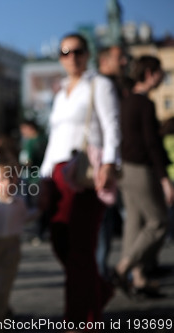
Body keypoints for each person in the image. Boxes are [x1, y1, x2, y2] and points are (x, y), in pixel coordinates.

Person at [39, 33, 120, 325]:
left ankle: (81, 320)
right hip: (59, 174)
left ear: (87, 54)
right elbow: (54, 139)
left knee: (80, 250)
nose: (72, 57)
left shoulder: (99, 84)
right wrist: (44, 177)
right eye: (65, 52)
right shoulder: (61, 94)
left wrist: (110, 163)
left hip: (86, 172)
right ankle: (99, 290)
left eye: (78, 51)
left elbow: (112, 126)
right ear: (60, 57)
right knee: (60, 242)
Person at [114, 55, 173, 298]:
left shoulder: (126, 102)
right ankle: (123, 268)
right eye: (160, 72)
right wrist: (164, 179)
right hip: (141, 169)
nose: (162, 77)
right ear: (149, 73)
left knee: (134, 224)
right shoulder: (144, 103)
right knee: (158, 222)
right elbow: (152, 144)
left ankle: (138, 279)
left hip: (125, 169)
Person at [0, 153, 38, 322]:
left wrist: (40, 211)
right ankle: (4, 309)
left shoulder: (18, 202)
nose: (12, 183)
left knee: (2, 285)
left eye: (14, 179)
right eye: (7, 179)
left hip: (11, 247)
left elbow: (25, 217)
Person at [95, 44, 129, 279]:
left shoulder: (117, 86)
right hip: (107, 166)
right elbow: (109, 127)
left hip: (118, 164)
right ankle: (101, 274)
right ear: (104, 61)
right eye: (120, 58)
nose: (125, 62)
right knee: (102, 223)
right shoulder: (102, 85)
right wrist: (108, 163)